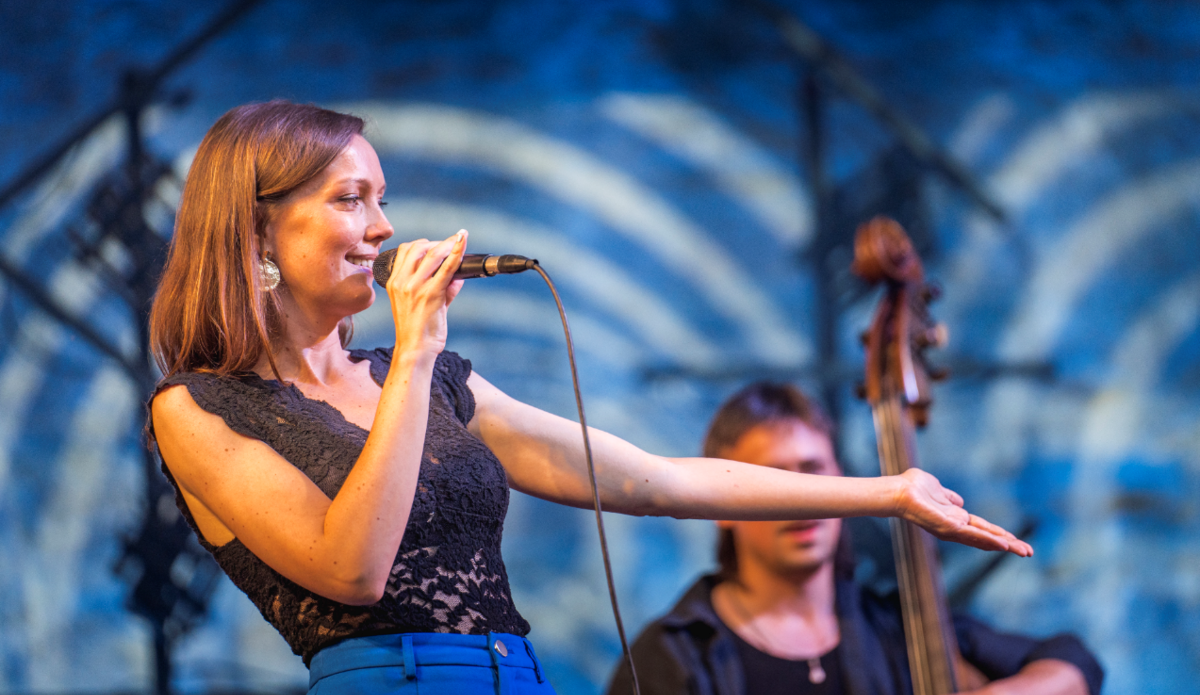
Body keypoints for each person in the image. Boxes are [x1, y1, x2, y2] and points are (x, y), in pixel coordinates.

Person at [146, 100, 1032, 695]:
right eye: (351, 200)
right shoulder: (199, 409)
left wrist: (888, 494)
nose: (382, 228)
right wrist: (416, 353)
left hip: (519, 673)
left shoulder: (422, 379)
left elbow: (651, 481)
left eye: (384, 199)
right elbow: (352, 569)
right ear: (259, 227)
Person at [606, 382, 1103, 695]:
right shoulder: (673, 654)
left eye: (813, 473)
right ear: (722, 506)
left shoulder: (897, 630)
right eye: (774, 481)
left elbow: (1076, 663)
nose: (803, 499)